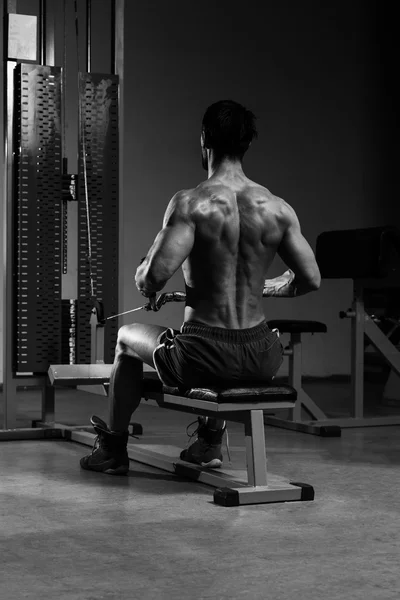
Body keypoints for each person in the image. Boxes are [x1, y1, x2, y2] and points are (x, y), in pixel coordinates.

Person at [80, 100, 321, 475]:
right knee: (222, 348)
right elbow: (310, 280)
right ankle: (208, 443)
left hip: (205, 354)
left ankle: (112, 447)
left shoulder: (192, 203)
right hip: (263, 354)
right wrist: (264, 288)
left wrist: (144, 269)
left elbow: (153, 278)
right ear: (247, 145)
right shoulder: (277, 209)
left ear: (205, 139)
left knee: (127, 338)